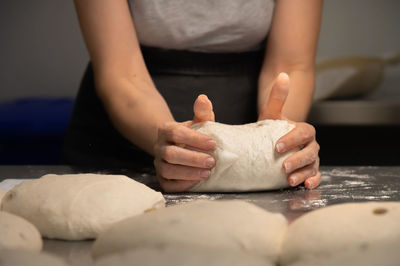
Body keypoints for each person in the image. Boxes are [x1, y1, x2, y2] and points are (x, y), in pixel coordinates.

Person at [64, 0, 322, 192]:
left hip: (248, 104)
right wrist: (169, 143)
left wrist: (279, 135)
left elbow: (291, 66)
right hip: (126, 136)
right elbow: (121, 71)